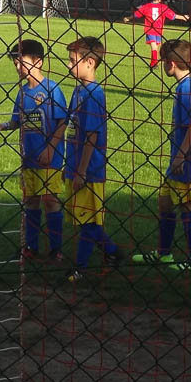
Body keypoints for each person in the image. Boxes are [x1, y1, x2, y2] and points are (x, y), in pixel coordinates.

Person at [132, 39, 191, 272]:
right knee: (165, 203)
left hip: (187, 163)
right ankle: (164, 254)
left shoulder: (189, 89)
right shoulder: (186, 86)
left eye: (164, 60)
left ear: (172, 63)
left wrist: (181, 156)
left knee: (187, 207)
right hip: (179, 161)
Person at [0, 39, 67, 264]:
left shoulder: (52, 89)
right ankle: (31, 247)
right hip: (29, 159)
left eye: (21, 62)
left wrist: (50, 148)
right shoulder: (22, 93)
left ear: (39, 62)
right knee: (31, 202)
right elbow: (18, 121)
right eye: (15, 63)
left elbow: (62, 122)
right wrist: (4, 125)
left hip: (49, 159)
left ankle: (56, 249)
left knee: (50, 200)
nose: (17, 67)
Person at [65, 37, 121, 282]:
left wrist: (81, 170)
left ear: (89, 62)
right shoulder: (78, 90)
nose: (68, 65)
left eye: (72, 61)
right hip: (75, 164)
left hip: (89, 169)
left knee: (87, 220)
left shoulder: (94, 94)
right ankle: (112, 252)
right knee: (84, 219)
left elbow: (91, 135)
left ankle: (81, 267)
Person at [124, 0, 190, 68]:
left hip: (150, 29)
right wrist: (183, 17)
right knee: (154, 46)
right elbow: (173, 16)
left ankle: (154, 63)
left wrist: (129, 18)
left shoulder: (147, 6)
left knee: (155, 47)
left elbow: (137, 14)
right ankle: (154, 63)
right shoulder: (163, 7)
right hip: (158, 30)